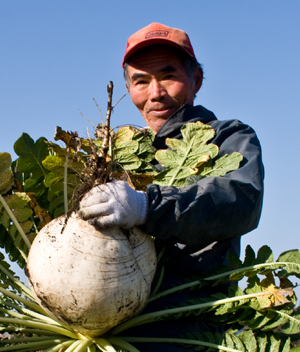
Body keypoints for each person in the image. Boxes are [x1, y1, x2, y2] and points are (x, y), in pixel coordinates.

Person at [79, 23, 264, 351]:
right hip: (110, 332)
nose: (155, 93)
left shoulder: (229, 138)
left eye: (168, 76)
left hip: (188, 335)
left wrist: (147, 207)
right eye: (141, 81)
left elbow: (241, 199)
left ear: (196, 80)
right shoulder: (120, 155)